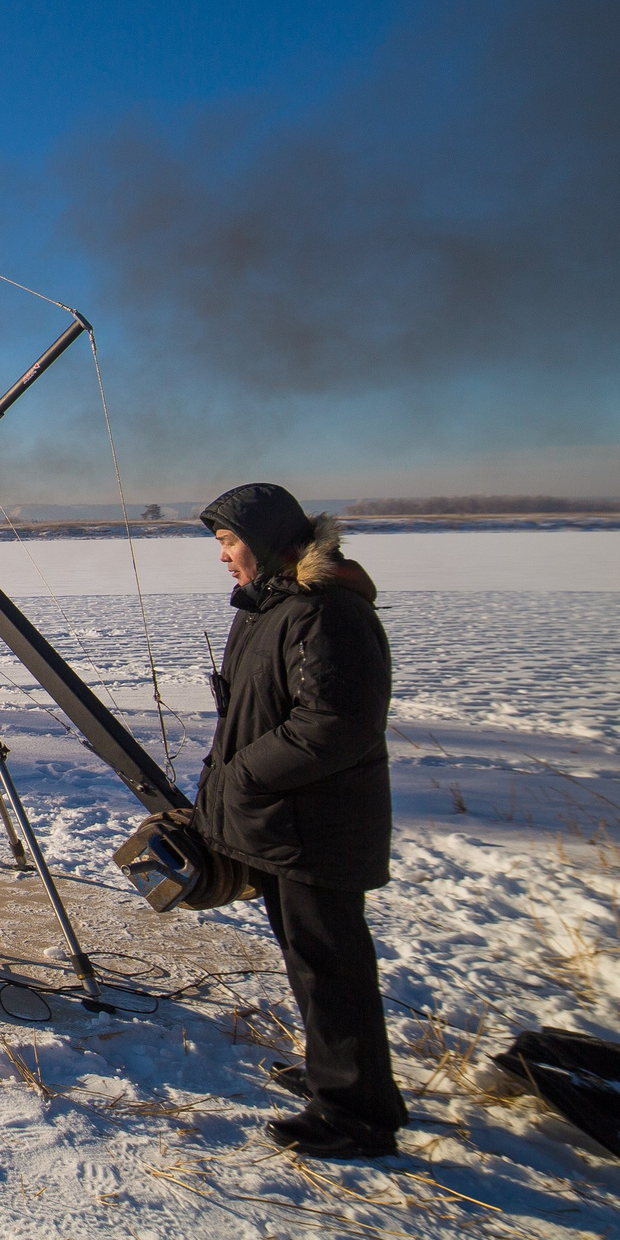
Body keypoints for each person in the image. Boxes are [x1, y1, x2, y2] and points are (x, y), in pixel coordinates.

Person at [197, 482, 406, 1159]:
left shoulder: (326, 612)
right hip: (286, 822)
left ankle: (356, 1114)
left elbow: (336, 724)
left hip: (319, 824)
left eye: (229, 543)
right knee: (309, 959)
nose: (223, 557)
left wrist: (243, 775)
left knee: (330, 965)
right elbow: (249, 712)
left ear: (263, 541)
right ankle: (336, 1078)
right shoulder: (270, 608)